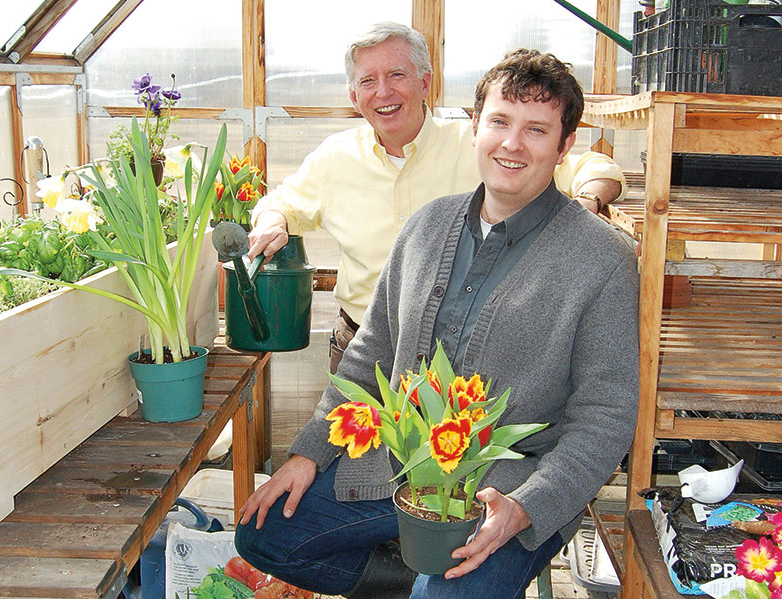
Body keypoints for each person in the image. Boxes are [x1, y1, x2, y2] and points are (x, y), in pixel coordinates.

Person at [235, 48, 639, 599]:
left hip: (505, 492)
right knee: (264, 533)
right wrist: (308, 452)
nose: (512, 144)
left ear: (565, 144)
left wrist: (528, 508)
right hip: (393, 471)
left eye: (536, 130)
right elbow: (367, 356)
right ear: (474, 127)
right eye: (499, 122)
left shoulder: (601, 258)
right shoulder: (427, 227)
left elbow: (604, 415)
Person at [247, 22, 626, 373]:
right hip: (361, 345)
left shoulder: (483, 145)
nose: (383, 92)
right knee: (350, 443)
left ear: (426, 82)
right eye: (368, 80)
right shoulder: (334, 158)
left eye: (397, 75)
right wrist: (271, 221)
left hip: (458, 353)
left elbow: (596, 167)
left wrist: (587, 204)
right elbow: (280, 204)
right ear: (353, 95)